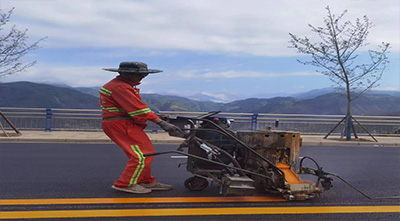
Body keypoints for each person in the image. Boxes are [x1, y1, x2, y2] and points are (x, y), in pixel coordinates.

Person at [99, 61, 184, 194]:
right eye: (140, 74)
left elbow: (134, 108)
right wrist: (161, 123)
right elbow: (138, 110)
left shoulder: (120, 85)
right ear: (128, 74)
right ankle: (124, 184)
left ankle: (145, 180)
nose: (143, 77)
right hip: (121, 124)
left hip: (123, 123)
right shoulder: (121, 87)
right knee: (141, 155)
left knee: (147, 152)